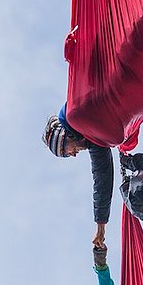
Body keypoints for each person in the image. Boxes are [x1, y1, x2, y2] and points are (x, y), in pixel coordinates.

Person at [43, 105, 113, 247]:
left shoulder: (72, 115)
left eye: (65, 152)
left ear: (64, 137)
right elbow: (102, 180)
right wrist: (101, 227)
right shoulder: (95, 138)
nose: (73, 155)